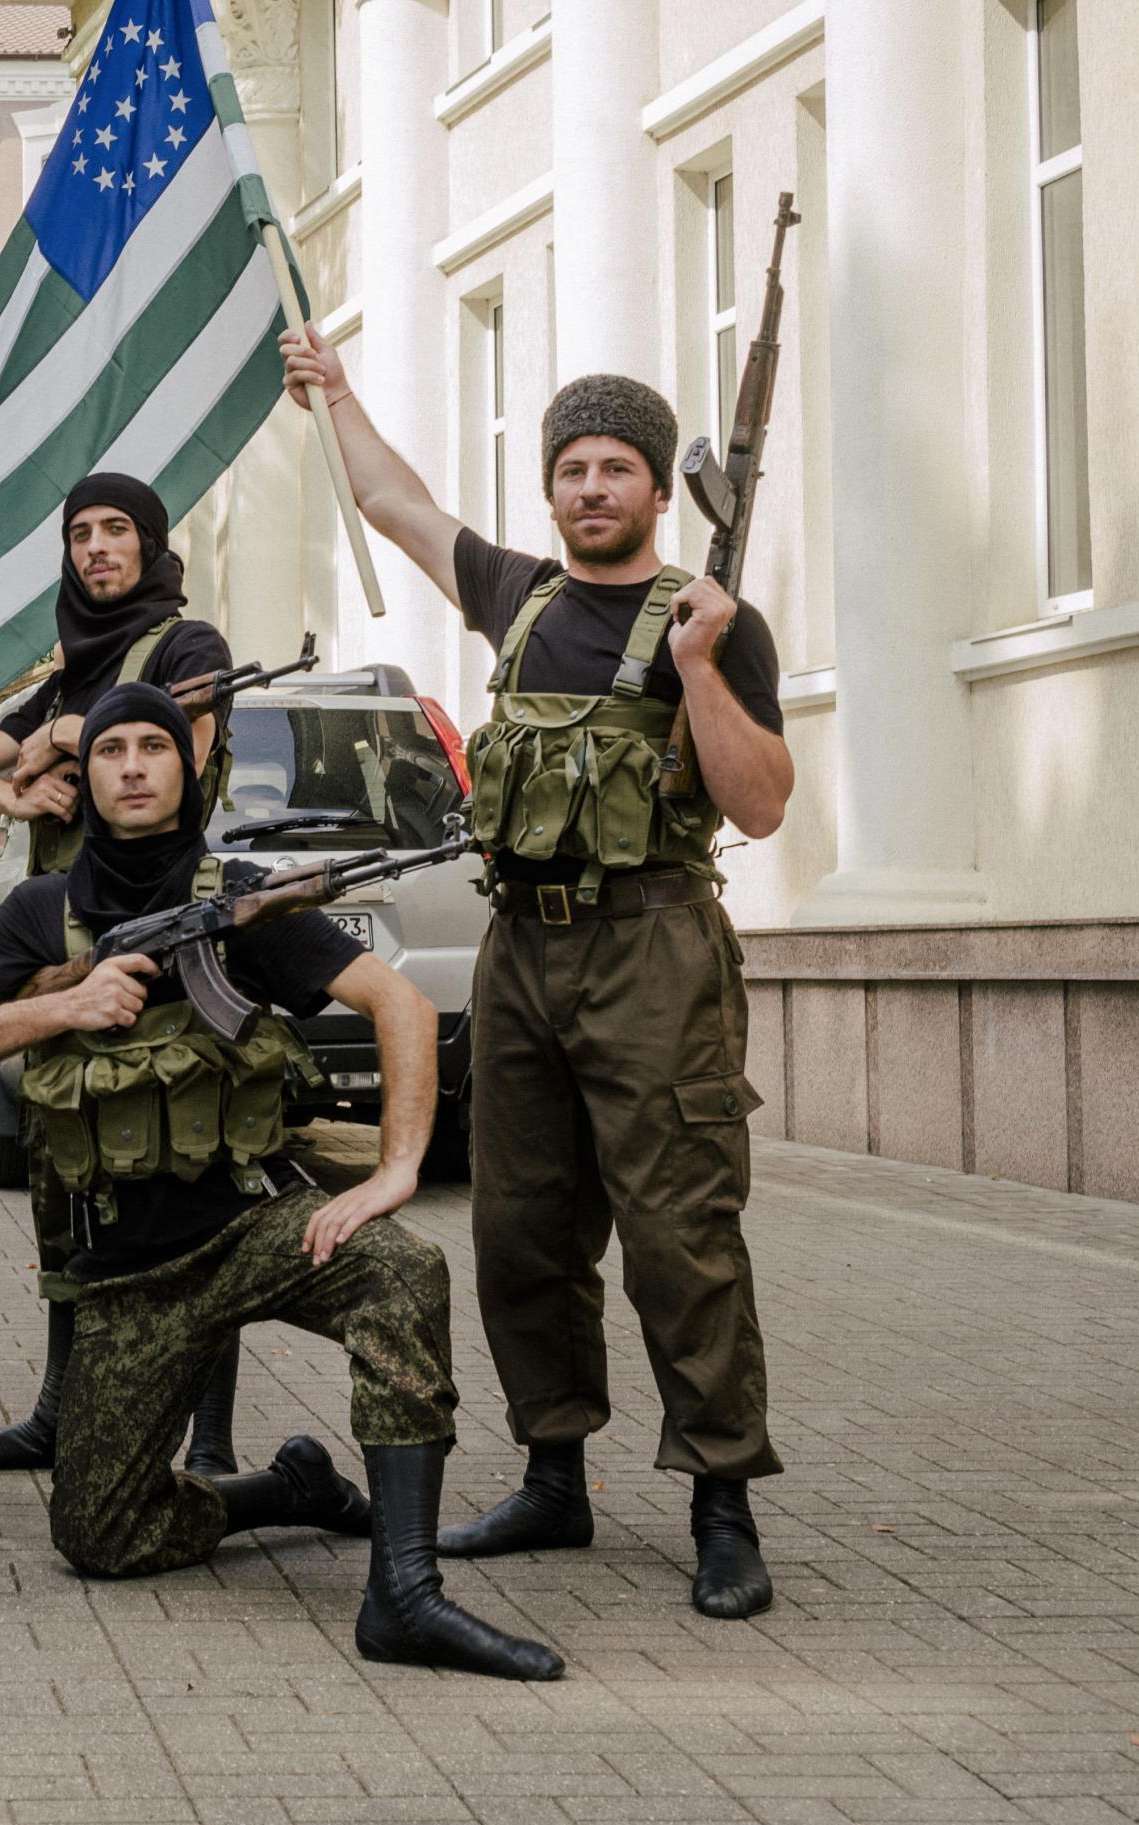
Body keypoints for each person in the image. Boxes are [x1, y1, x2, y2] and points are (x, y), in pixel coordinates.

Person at [0, 683, 563, 1681]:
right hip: (129, 1272)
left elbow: (402, 1005)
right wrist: (64, 1003)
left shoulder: (242, 895)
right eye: (109, 748)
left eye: (152, 748)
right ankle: (285, 1490)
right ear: (82, 783)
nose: (129, 764)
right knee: (100, 1537)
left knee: (403, 1269)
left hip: (256, 1229)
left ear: (187, 772)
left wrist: (395, 1170)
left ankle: (406, 1592)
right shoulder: (46, 908)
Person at [281, 325, 787, 1621]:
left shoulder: (715, 620)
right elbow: (394, 501)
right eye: (572, 466)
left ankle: (721, 1499)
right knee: (521, 1224)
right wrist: (336, 390)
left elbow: (765, 802)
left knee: (679, 1230)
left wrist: (696, 671)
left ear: (658, 490)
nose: (591, 486)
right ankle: (552, 1473)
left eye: (617, 466)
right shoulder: (523, 597)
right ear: (551, 487)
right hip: (523, 949)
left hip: (653, 946)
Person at [0, 472, 250, 1481]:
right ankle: (59, 1412)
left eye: (117, 531)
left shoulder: (188, 649)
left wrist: (66, 738)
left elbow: (179, 759)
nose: (97, 548)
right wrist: (21, 797)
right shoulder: (64, 674)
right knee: (65, 1184)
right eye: (80, 534)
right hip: (61, 955)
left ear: (151, 545)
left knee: (194, 1184)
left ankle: (213, 1439)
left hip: (172, 947)